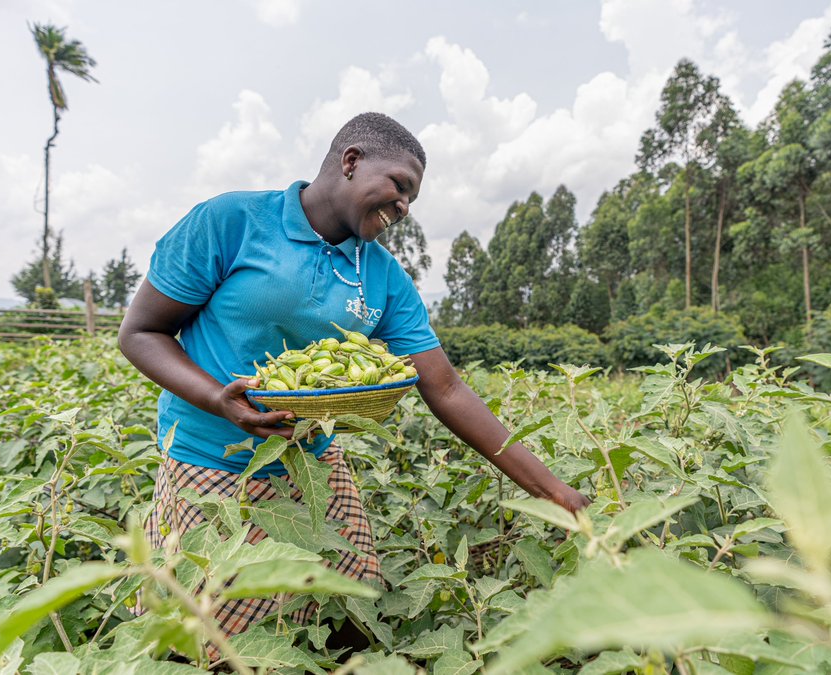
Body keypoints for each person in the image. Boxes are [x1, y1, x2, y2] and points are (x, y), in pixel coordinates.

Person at [117, 112, 588, 651]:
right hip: (209, 459)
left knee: (350, 600)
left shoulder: (382, 275)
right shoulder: (234, 221)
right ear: (351, 161)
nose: (405, 207)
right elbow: (141, 333)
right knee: (211, 634)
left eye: (412, 197)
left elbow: (447, 388)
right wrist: (216, 399)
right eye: (400, 186)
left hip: (312, 461)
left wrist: (552, 490)